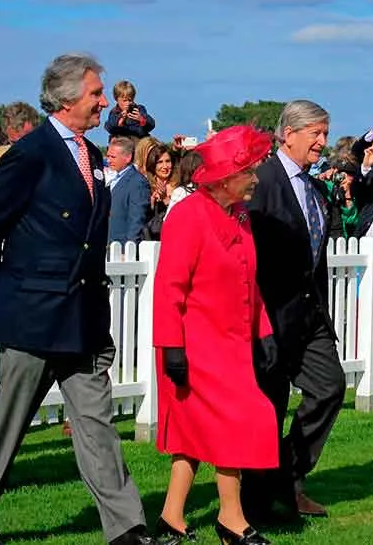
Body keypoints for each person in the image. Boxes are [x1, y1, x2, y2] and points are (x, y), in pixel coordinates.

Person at [0, 54, 152, 545]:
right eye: (95, 94)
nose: (104, 102)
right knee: (10, 425)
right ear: (67, 98)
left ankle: (126, 527)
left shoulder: (89, 153)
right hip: (33, 315)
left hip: (84, 314)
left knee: (97, 425)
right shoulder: (31, 152)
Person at [153, 125, 278, 545]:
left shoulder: (240, 216)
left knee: (195, 433)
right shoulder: (188, 215)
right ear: (226, 177)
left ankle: (171, 519)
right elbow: (169, 288)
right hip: (195, 345)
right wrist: (172, 348)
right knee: (239, 422)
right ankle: (232, 519)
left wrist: (264, 333)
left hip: (232, 344)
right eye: (250, 172)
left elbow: (249, 279)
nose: (257, 180)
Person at [245, 100, 346, 520]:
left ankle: (288, 475)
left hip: (310, 316)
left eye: (325, 134)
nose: (322, 143)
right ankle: (257, 503)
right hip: (270, 316)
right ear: (288, 134)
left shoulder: (314, 186)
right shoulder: (262, 180)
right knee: (268, 407)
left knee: (330, 387)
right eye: (315, 134)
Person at [106, 136, 150, 246]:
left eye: (113, 157)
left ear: (127, 158)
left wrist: (128, 249)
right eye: (108, 156)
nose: (108, 160)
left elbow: (137, 219)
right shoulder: (116, 178)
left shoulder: (137, 182)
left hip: (122, 247)